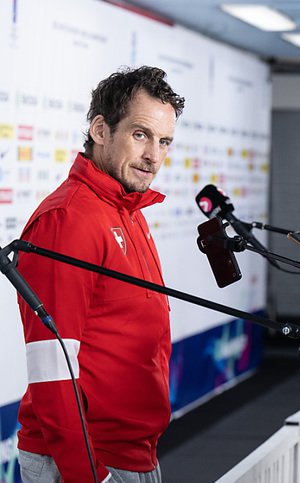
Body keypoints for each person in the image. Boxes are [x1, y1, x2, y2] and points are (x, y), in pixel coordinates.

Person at [15, 66, 184, 483]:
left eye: (164, 142)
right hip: (88, 461)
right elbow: (53, 369)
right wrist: (89, 475)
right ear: (100, 130)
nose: (154, 157)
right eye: (141, 135)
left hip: (134, 452)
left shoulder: (128, 208)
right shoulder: (68, 219)